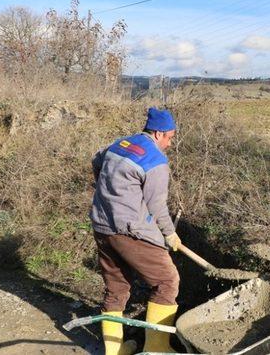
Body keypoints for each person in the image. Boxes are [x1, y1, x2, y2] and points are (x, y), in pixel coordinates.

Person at [89, 107, 183, 355]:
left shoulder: (121, 144)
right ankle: (157, 349)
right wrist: (170, 233)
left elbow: (96, 160)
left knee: (116, 287)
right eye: (170, 137)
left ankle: (114, 350)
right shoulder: (155, 161)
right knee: (166, 281)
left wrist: (109, 192)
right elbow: (157, 206)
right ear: (158, 133)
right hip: (129, 232)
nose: (170, 144)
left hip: (101, 225)